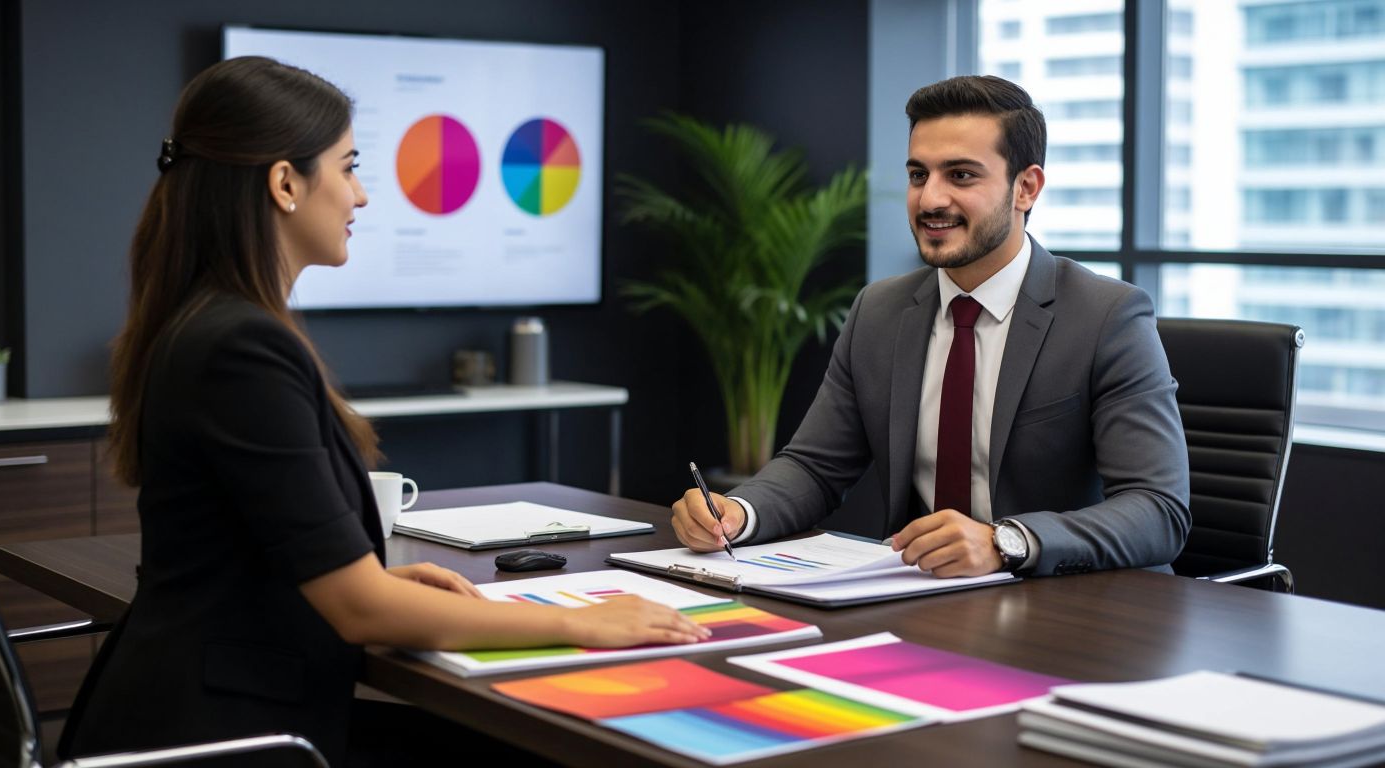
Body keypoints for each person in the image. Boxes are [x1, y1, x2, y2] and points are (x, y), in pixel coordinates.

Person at [60, 56, 707, 767]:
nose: (361, 196)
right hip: (226, 734)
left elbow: (248, 552)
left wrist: (370, 581)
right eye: (347, 167)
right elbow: (359, 610)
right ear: (284, 184)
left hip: (210, 702)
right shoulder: (242, 346)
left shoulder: (206, 322)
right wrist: (586, 626)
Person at [672, 75, 1190, 578]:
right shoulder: (879, 311)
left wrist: (1006, 541)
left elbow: (1158, 509)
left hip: (1068, 608)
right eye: (919, 175)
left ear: (1025, 188)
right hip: (915, 596)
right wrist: (738, 514)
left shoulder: (1106, 317)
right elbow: (815, 467)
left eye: (960, 175)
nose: (930, 200)